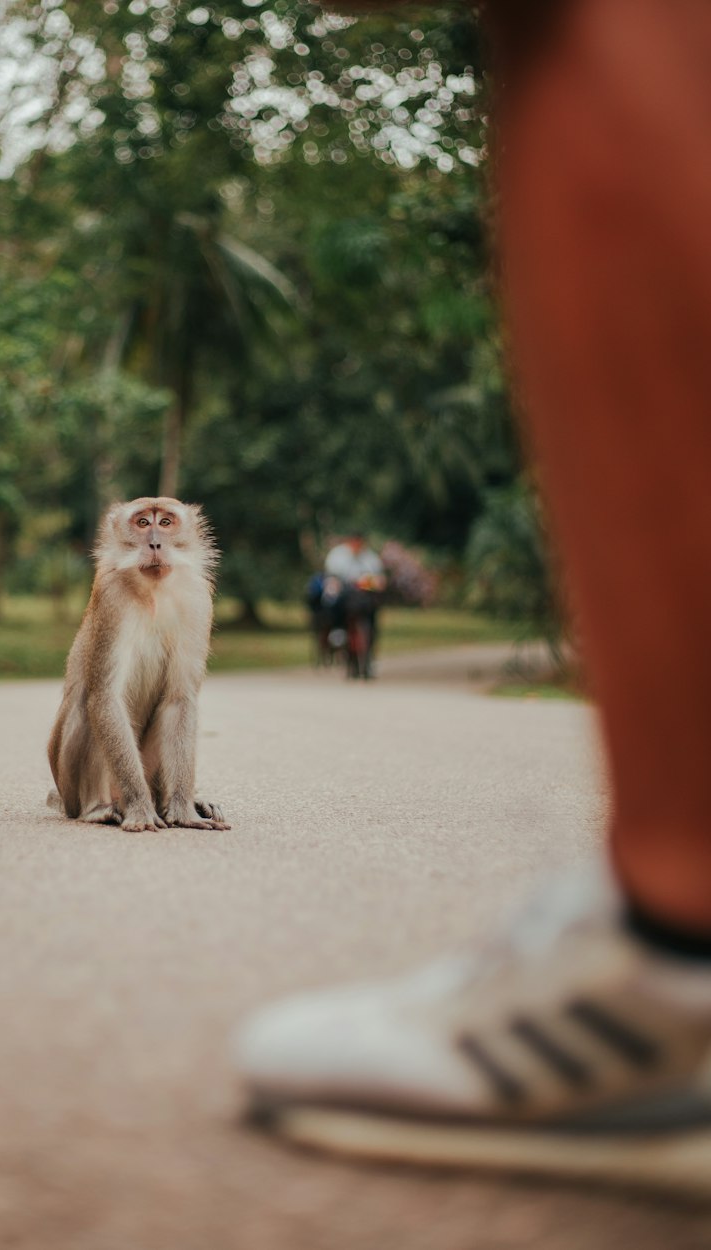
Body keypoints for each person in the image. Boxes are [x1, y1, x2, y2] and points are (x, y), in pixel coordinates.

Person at [234, 0, 711, 1190]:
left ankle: (680, 947)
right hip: (341, 614)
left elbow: (368, 585)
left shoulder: (364, 563)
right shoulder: (336, 562)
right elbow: (334, 586)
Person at [324, 533, 387, 678]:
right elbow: (332, 576)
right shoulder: (337, 555)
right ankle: (337, 630)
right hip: (345, 592)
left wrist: (376, 583)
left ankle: (369, 643)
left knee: (373, 610)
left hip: (363, 595)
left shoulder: (370, 558)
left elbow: (379, 579)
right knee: (332, 600)